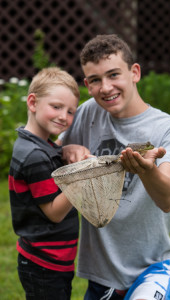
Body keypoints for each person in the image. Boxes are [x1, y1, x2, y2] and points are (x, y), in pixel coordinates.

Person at [60, 35, 170, 300]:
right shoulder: (86, 114)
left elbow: (167, 199)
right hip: (101, 274)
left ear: (135, 72)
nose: (106, 87)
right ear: (86, 84)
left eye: (113, 75)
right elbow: (49, 155)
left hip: (154, 267)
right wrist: (64, 150)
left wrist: (147, 170)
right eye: (95, 80)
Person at [8, 67, 81, 300]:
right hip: (44, 264)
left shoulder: (40, 146)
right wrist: (81, 176)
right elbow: (54, 213)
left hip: (51, 260)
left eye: (71, 112)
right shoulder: (35, 156)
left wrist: (66, 150)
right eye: (57, 107)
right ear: (32, 102)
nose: (64, 117)